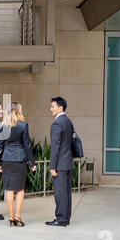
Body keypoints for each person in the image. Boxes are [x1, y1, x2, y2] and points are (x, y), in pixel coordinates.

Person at [0, 102, 36, 227]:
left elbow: (0, 146)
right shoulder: (23, 125)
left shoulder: (2, 126)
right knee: (20, 189)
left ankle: (11, 217)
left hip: (7, 159)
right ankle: (18, 217)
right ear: (17, 111)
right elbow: (27, 145)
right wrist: (32, 163)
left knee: (8, 189)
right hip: (19, 159)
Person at [46, 96, 74, 227]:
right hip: (68, 162)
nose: (51, 109)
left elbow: (55, 146)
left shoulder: (57, 123)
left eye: (53, 106)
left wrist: (52, 166)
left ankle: (61, 219)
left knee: (60, 193)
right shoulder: (68, 121)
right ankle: (66, 218)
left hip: (60, 164)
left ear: (60, 107)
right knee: (67, 192)